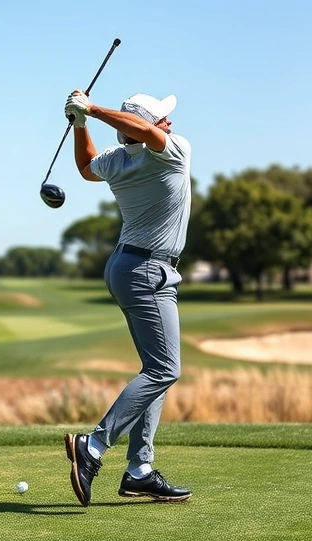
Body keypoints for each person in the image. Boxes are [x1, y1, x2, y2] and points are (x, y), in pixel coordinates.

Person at [60, 90, 194, 507]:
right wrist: (92, 111)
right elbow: (144, 135)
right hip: (148, 271)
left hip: (126, 267)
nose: (170, 124)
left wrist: (82, 123)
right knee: (165, 369)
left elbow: (86, 167)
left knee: (155, 369)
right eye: (163, 119)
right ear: (150, 126)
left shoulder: (118, 159)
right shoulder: (173, 151)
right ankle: (93, 446)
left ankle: (140, 470)